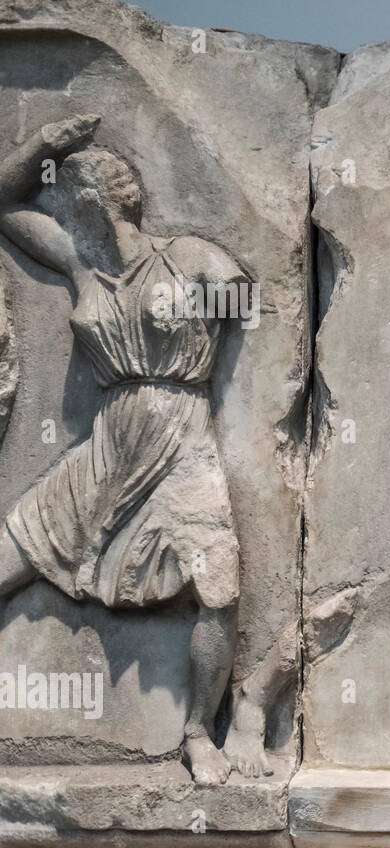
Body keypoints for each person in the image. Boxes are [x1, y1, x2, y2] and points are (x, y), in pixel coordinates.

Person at [0, 114, 249, 784]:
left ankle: (198, 731)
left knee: (218, 584)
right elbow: (4, 202)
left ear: (96, 201)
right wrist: (45, 145)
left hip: (182, 436)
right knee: (9, 556)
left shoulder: (194, 258)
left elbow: (256, 322)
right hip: (108, 442)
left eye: (68, 195)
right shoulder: (80, 263)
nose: (60, 206)